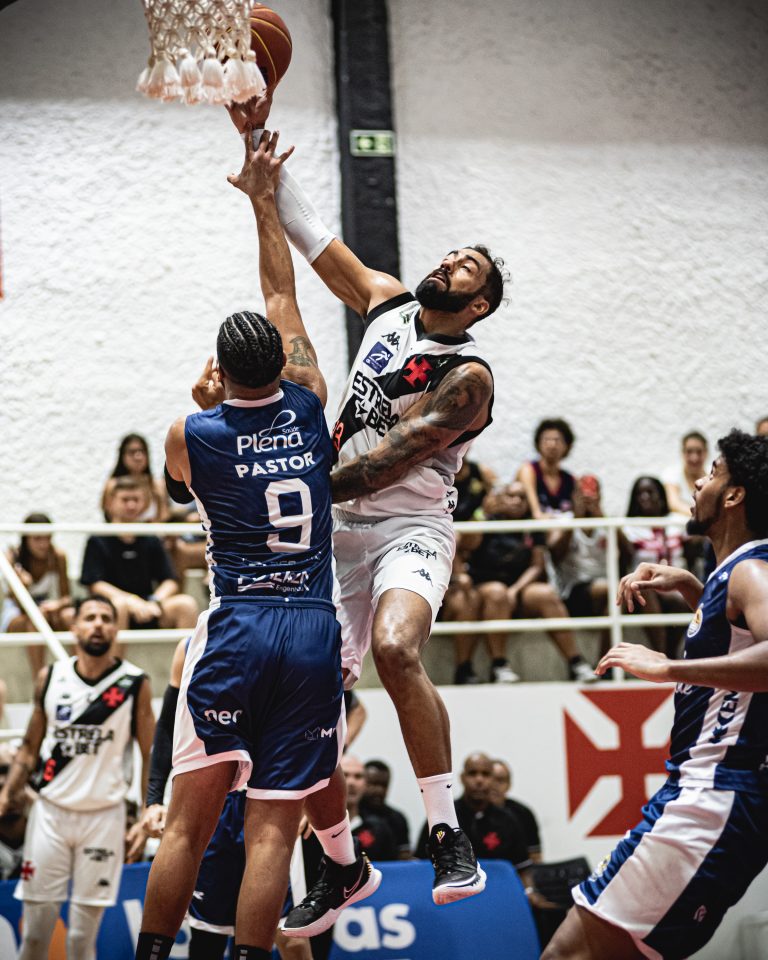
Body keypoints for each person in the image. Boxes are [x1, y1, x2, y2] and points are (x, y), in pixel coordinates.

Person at [228, 96, 506, 904]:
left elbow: (385, 463)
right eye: (451, 254)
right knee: (306, 693)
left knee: (395, 648)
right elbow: (310, 233)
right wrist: (253, 137)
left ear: (479, 305)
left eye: (467, 267)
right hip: (341, 529)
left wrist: (290, 478)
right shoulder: (386, 300)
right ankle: (343, 860)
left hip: (410, 525)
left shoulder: (468, 378)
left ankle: (446, 832)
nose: (450, 262)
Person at [135, 131, 380, 960]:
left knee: (188, 824)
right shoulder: (309, 402)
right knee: (274, 830)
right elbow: (281, 291)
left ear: (220, 370)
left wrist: (205, 403)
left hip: (239, 623)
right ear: (282, 360)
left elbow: (182, 484)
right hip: (312, 629)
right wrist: (265, 201)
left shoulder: (189, 433)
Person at [542, 428, 768, 960]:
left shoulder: (752, 571)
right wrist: (692, 588)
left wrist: (666, 666)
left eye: (712, 473)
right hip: (711, 796)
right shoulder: (734, 573)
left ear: (734, 495)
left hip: (713, 796)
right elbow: (738, 637)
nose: (699, 482)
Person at [0, 596, 155, 960]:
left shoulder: (134, 682)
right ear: (74, 628)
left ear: (116, 630)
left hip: (104, 817)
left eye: (106, 618)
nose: (98, 624)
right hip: (50, 814)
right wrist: (7, 794)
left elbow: (150, 753)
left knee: (82, 939)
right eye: (90, 617)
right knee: (35, 935)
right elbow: (29, 746)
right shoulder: (50, 677)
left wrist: (146, 812)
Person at [464, 482, 597, 682]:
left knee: (545, 594)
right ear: (500, 498)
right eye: (511, 496)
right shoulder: (486, 520)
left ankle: (576, 662)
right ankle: (499, 666)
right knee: (497, 593)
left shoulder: (531, 526)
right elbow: (467, 544)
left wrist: (515, 590)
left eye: (522, 497)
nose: (517, 501)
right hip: (487, 587)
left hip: (519, 588)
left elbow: (537, 565)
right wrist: (482, 514)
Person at [81, 476, 199, 634]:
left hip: (149, 606)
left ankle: (183, 652)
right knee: (119, 605)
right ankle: (116, 652)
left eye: (136, 500)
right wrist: (130, 601)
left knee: (186, 604)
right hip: (114, 608)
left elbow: (169, 581)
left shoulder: (150, 537)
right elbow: (95, 585)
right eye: (125, 500)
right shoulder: (98, 539)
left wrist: (154, 601)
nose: (131, 505)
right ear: (110, 502)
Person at [415, 753, 533, 880]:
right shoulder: (442, 818)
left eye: (485, 774)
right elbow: (420, 866)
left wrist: (529, 890)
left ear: (493, 780)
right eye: (472, 773)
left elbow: (523, 869)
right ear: (462, 778)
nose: (479, 780)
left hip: (498, 888)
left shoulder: (508, 821)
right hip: (453, 888)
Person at [621, 476, 688, 656]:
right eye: (640, 493)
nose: (645, 497)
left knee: (683, 599)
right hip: (645, 590)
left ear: (661, 495)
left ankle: (669, 654)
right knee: (643, 587)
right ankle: (661, 654)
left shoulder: (676, 521)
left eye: (650, 492)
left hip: (674, 585)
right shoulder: (629, 527)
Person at [2, 513, 74, 678]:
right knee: (38, 617)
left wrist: (57, 605)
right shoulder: (13, 557)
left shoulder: (58, 556)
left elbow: (67, 598)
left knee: (69, 616)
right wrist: (22, 586)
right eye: (37, 539)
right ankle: (40, 679)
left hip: (45, 608)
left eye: (47, 538)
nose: (43, 544)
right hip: (17, 612)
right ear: (26, 539)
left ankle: (78, 673)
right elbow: (16, 603)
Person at [341, 754, 398, 862]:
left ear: (366, 784)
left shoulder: (379, 829)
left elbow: (391, 868)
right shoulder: (314, 828)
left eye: (358, 776)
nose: (351, 783)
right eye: (344, 775)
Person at [101, 433, 170, 522]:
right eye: (132, 452)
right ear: (123, 455)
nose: (138, 456)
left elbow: (164, 517)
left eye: (142, 451)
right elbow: (109, 517)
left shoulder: (157, 485)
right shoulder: (113, 485)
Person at [517, 418, 576, 519]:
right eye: (546, 439)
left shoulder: (570, 480)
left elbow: (578, 516)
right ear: (538, 444)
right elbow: (537, 514)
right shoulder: (528, 470)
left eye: (557, 440)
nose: (551, 445)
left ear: (567, 446)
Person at [488, 759, 542, 862]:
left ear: (509, 785)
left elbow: (535, 857)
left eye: (500, 780)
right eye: (490, 779)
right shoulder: (469, 813)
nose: (494, 785)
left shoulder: (523, 814)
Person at [361, 759, 412, 859]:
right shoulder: (352, 815)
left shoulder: (398, 818)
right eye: (373, 784)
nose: (379, 790)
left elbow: (404, 855)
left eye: (384, 785)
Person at [662, 430, 708, 517]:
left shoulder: (713, 474)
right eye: (689, 451)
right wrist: (701, 515)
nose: (694, 458)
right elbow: (673, 504)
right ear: (683, 453)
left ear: (706, 453)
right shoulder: (672, 473)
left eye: (699, 452)